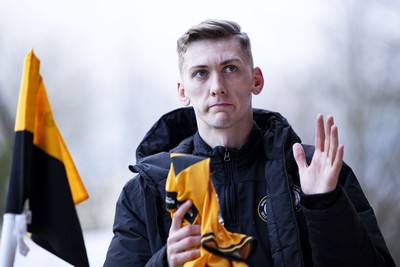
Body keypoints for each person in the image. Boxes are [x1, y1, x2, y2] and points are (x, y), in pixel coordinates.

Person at [104, 19, 396, 267]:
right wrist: (165, 261)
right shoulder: (146, 190)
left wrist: (326, 206)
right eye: (201, 73)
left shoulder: (315, 171)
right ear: (183, 91)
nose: (217, 86)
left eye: (230, 69)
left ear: (255, 80)